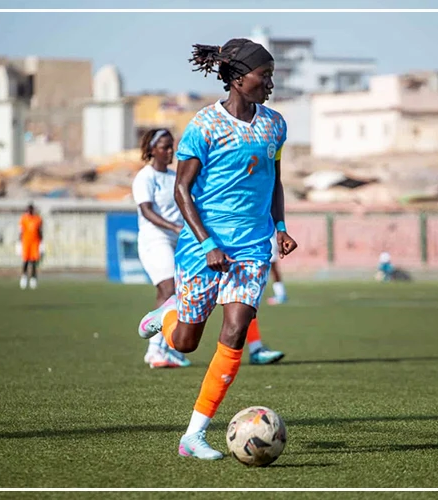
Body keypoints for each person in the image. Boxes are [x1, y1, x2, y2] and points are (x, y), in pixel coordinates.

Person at [136, 38, 294, 460]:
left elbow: (274, 181)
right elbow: (182, 189)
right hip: (202, 246)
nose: (270, 83)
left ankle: (193, 435)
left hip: (252, 248)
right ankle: (166, 313)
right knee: (185, 342)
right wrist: (207, 244)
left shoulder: (275, 124)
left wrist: (279, 227)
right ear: (239, 79)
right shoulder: (203, 125)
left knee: (237, 328)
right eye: (265, 75)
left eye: (272, 75)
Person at [131, 128, 192, 369]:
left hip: (178, 240)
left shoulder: (173, 176)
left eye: (172, 147)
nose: (170, 152)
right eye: (165, 147)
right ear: (151, 149)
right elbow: (147, 211)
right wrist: (174, 227)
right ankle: (155, 349)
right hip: (155, 239)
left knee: (178, 294)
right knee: (169, 289)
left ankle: (164, 347)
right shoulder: (145, 177)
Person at [19, 203, 43, 290]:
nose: (29, 211)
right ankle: (24, 277)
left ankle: (33, 278)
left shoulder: (38, 219)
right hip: (26, 242)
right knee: (25, 261)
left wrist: (41, 243)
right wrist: (19, 243)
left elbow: (40, 231)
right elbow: (21, 231)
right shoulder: (24, 219)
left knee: (33, 261)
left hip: (35, 242)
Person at [265, 234, 288, 304]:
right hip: (265, 240)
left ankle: (280, 294)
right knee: (272, 268)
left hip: (268, 241)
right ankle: (280, 294)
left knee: (273, 268)